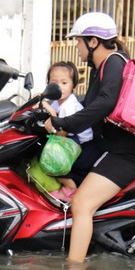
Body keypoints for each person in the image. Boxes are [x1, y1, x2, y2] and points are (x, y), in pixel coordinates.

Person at [44, 12, 135, 262]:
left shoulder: (113, 63)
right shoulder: (102, 68)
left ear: (93, 42)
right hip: (108, 149)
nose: (77, 47)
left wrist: (63, 123)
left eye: (79, 42)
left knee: (81, 204)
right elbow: (89, 106)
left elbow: (104, 104)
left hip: (126, 155)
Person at [41, 61, 95, 202]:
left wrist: (48, 108)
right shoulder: (56, 102)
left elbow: (61, 132)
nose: (59, 87)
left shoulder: (69, 105)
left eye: (64, 83)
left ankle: (71, 189)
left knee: (53, 161)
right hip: (70, 139)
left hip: (80, 143)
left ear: (73, 85)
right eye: (54, 83)